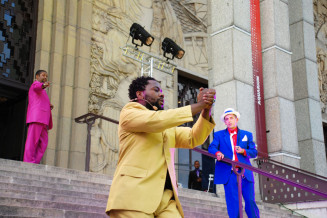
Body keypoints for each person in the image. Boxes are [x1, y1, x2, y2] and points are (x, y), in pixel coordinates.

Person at [106, 76, 216, 218]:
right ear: (139, 94)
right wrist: (199, 104)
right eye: (156, 90)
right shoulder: (129, 112)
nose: (162, 93)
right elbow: (155, 121)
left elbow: (193, 138)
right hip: (133, 196)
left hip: (165, 201)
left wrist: (205, 109)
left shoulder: (165, 127)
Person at [208, 108, 260, 218]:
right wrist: (217, 152)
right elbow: (211, 147)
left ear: (236, 119)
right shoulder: (219, 135)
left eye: (231, 118)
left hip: (245, 173)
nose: (229, 121)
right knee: (234, 204)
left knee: (250, 201)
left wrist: (243, 151)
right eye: (226, 119)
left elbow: (254, 152)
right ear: (225, 122)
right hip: (230, 173)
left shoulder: (247, 134)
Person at [23, 70, 53, 164]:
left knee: (43, 143)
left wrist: (49, 105)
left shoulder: (43, 91)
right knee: (32, 141)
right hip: (37, 118)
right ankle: (28, 161)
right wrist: (44, 85)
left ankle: (35, 161)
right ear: (37, 76)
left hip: (44, 120)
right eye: (43, 75)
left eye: (46, 76)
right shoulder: (35, 84)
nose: (45, 77)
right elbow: (37, 88)